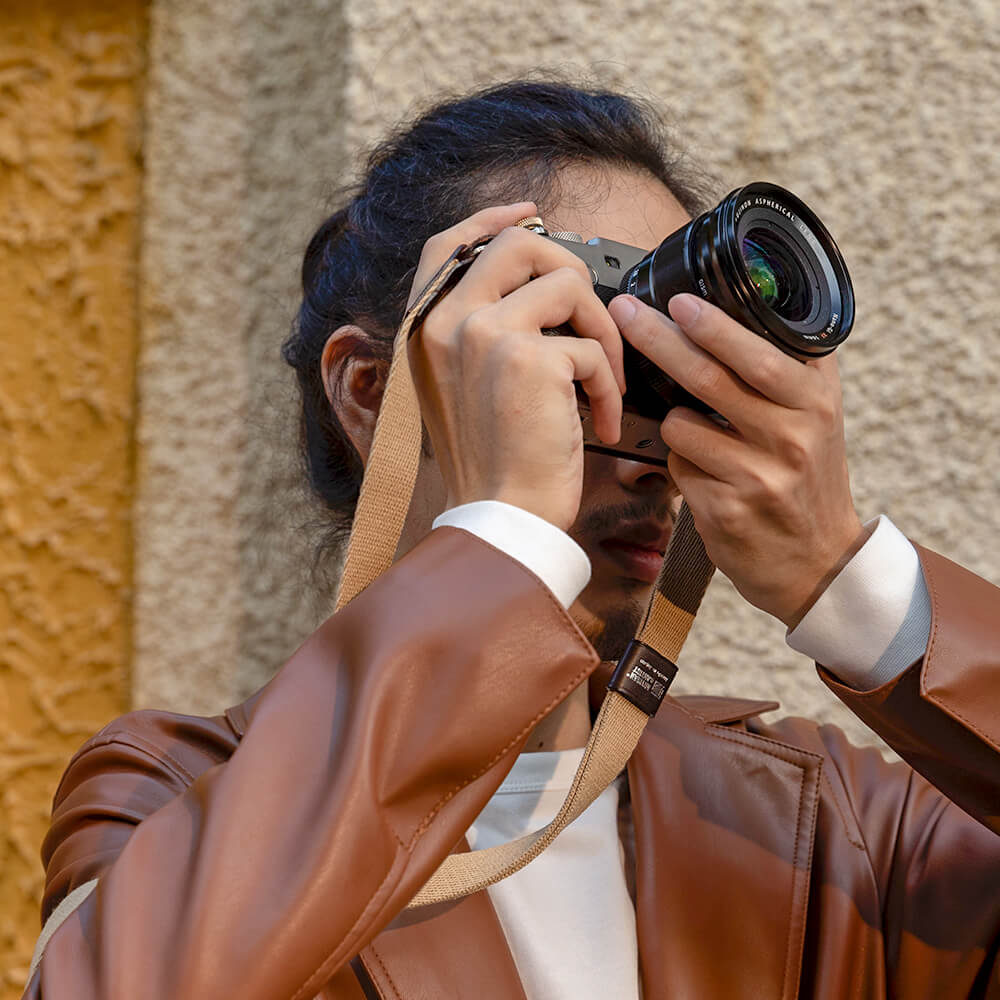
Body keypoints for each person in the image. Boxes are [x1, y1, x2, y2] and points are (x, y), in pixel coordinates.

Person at [24, 81, 1000, 1000]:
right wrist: (506, 537)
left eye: (679, 373)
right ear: (371, 393)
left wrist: (848, 577)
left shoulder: (825, 830)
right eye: (574, 354)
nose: (648, 447)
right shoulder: (176, 796)